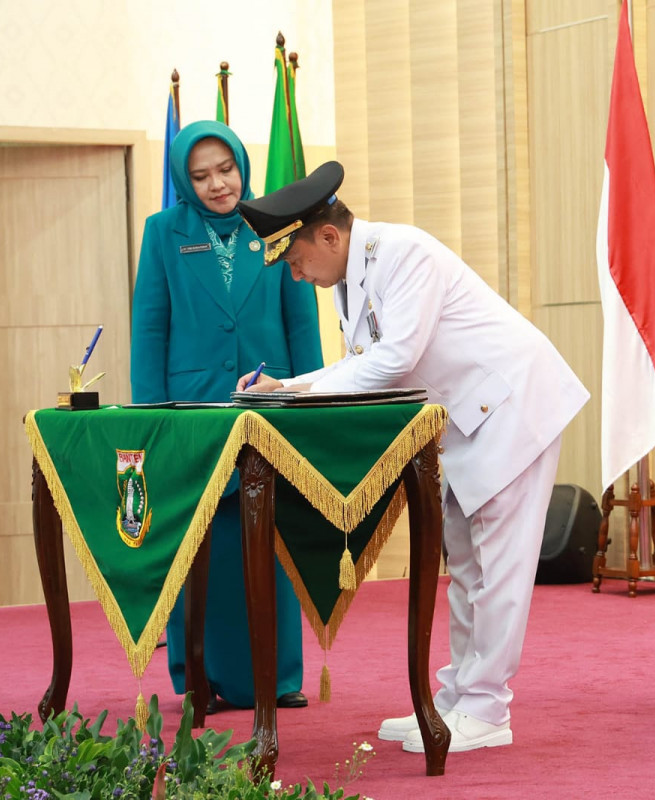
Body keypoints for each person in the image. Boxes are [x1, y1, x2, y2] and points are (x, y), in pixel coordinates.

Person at [234, 160, 589, 752]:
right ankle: (451, 701)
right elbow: (359, 366)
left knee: (499, 567)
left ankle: (487, 709)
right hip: (466, 424)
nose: (296, 276)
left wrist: (299, 394)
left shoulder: (405, 253)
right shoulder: (351, 275)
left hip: (511, 408)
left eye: (295, 260)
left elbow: (393, 361)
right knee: (466, 566)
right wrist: (289, 390)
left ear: (328, 235)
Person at [130, 120, 322, 710]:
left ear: (243, 165)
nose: (218, 184)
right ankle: (201, 680)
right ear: (184, 180)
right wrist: (153, 418)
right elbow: (151, 326)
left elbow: (301, 321)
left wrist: (311, 399)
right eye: (201, 174)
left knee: (270, 538)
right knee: (203, 543)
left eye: (227, 169)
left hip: (271, 405)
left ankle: (276, 677)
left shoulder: (275, 223)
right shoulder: (163, 232)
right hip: (195, 413)